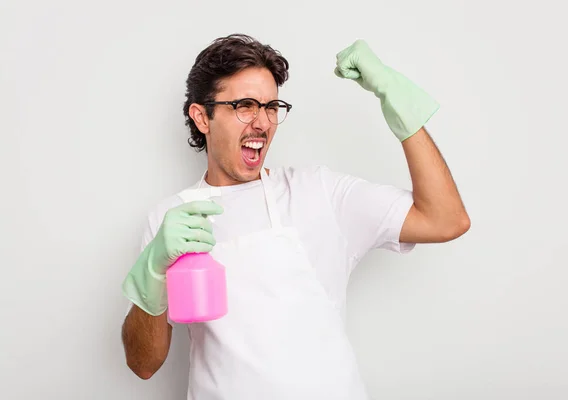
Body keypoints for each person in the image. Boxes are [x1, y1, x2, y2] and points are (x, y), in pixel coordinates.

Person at [120, 33, 470, 399]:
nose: (262, 123)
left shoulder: (319, 192)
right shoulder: (171, 219)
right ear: (202, 117)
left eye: (271, 107)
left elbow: (446, 220)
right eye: (245, 105)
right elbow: (143, 364)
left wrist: (397, 104)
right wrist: (153, 273)